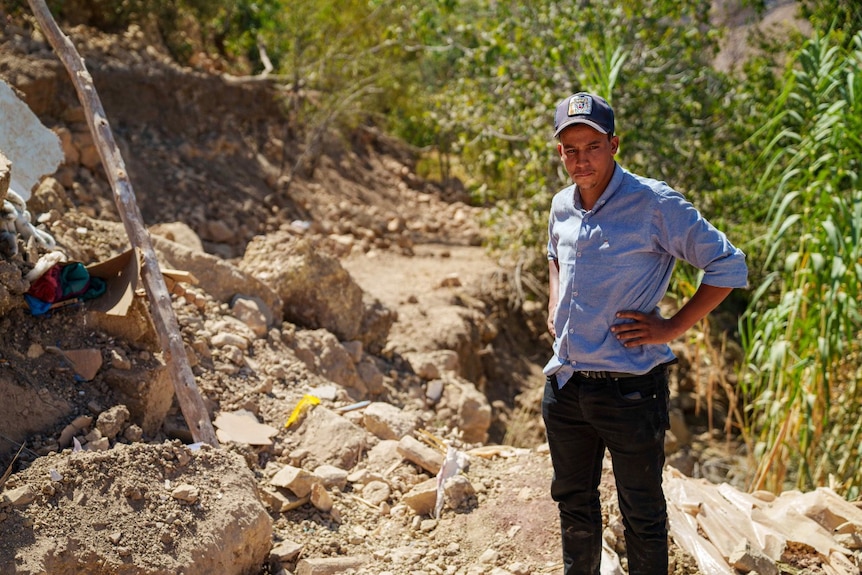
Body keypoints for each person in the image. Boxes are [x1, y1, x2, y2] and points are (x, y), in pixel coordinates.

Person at [542, 92, 748, 575]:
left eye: (592, 146)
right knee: (573, 505)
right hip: (566, 384)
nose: (581, 159)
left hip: (630, 391)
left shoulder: (654, 204)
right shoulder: (561, 205)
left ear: (614, 144)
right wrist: (554, 299)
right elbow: (554, 252)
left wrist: (672, 325)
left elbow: (728, 264)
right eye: (570, 150)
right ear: (559, 154)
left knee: (643, 515)